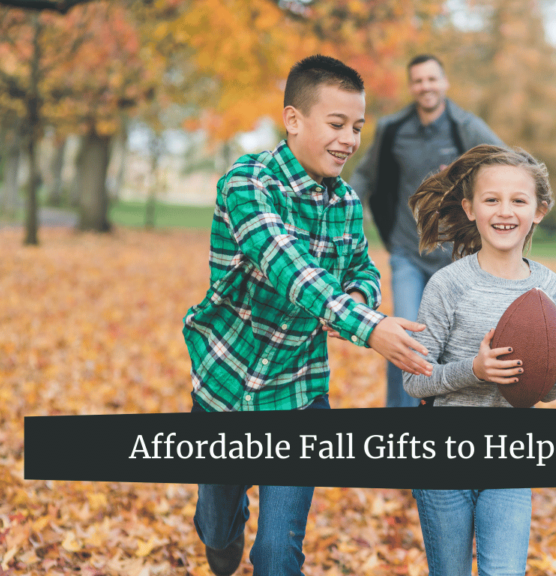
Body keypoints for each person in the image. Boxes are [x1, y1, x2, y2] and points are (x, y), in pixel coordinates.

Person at [181, 55, 434, 576]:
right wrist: (369, 327)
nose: (348, 139)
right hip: (225, 386)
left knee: (278, 553)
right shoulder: (247, 183)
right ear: (294, 120)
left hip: (299, 392)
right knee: (217, 531)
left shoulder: (343, 200)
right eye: (337, 124)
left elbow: (361, 269)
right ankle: (222, 532)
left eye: (357, 127)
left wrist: (358, 302)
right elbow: (285, 263)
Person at [403, 144, 556, 574]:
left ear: (539, 210)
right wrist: (474, 370)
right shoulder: (448, 285)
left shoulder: (550, 289)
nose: (505, 210)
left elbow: (548, 392)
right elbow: (415, 380)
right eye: (491, 199)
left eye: (519, 200)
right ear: (469, 208)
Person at [350, 54, 505, 408]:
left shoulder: (466, 127)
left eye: (432, 79)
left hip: (457, 258)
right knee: (404, 338)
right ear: (411, 87)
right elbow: (364, 175)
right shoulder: (393, 128)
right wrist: (345, 208)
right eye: (418, 81)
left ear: (444, 82)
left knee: (458, 346)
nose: (426, 87)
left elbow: (507, 163)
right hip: (409, 252)